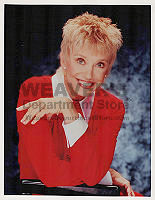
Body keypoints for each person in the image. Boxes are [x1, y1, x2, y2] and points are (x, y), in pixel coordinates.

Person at [16, 12, 142, 196]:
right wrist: (106, 176)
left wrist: (69, 111)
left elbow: (92, 176)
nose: (89, 75)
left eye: (99, 64)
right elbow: (50, 175)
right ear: (65, 59)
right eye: (81, 61)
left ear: (108, 69)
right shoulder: (34, 90)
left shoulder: (112, 105)